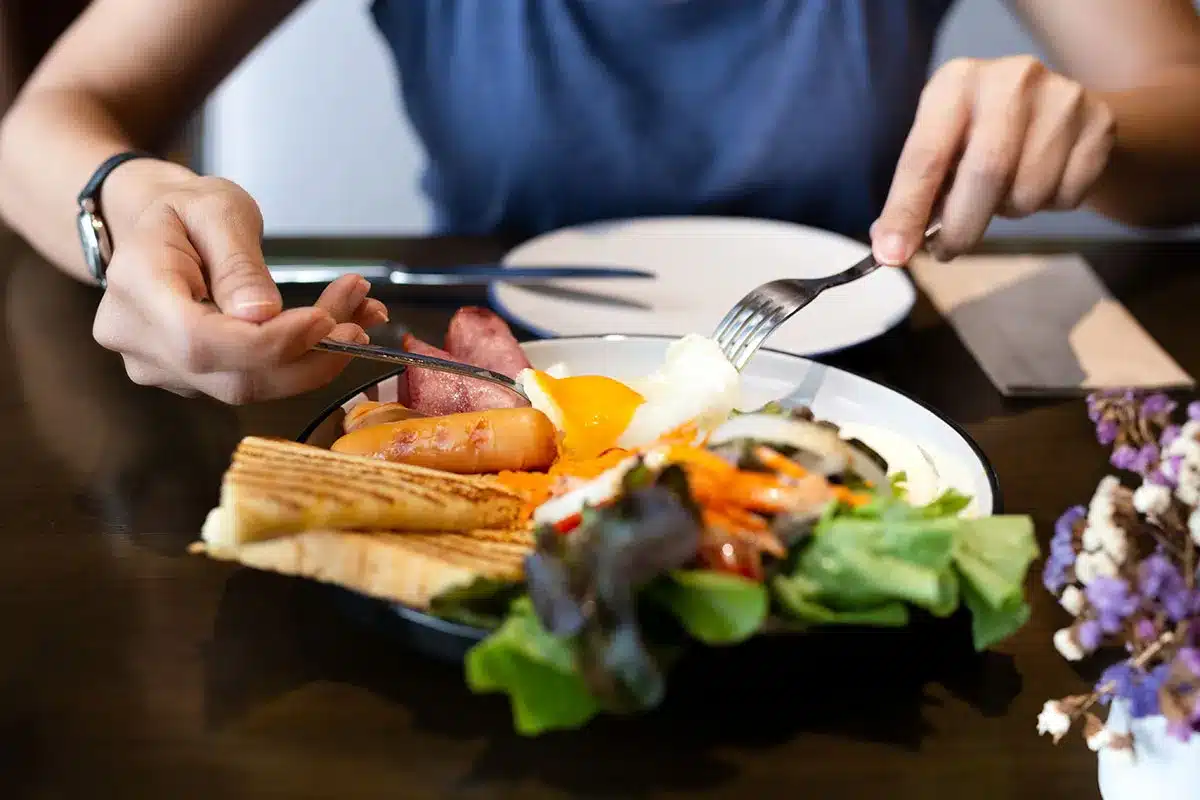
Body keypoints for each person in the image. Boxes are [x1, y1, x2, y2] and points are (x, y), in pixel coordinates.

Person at [0, 0, 1198, 404]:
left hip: (871, 387)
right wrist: (128, 201)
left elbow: (1180, 98)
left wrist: (1097, 128)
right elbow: (39, 131)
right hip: (493, 384)